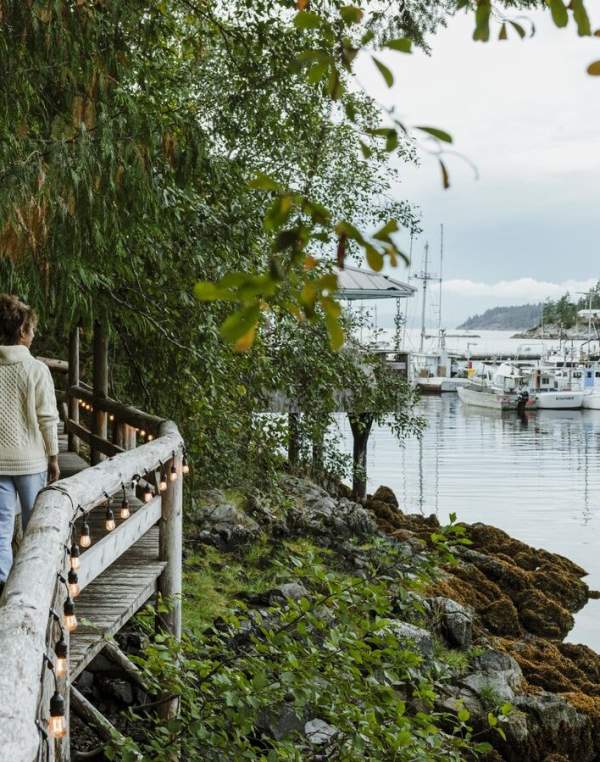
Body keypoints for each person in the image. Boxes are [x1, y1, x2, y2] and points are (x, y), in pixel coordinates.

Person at [0, 294, 60, 585]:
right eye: (32, 329)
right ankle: (32, 586)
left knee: (0, 529)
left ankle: (2, 587)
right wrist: (53, 457)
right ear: (22, 330)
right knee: (36, 528)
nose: (34, 334)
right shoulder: (37, 370)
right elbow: (47, 417)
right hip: (31, 461)